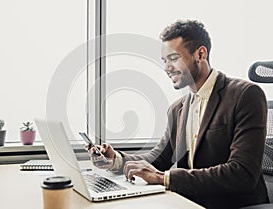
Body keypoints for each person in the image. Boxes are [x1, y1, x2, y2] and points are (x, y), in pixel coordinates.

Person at [87, 20, 269, 209]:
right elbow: (159, 157)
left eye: (173, 58)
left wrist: (164, 178)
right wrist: (115, 159)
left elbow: (242, 173)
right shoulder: (178, 108)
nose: (166, 68)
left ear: (200, 54)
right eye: (164, 61)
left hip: (235, 205)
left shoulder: (245, 95)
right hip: (189, 202)